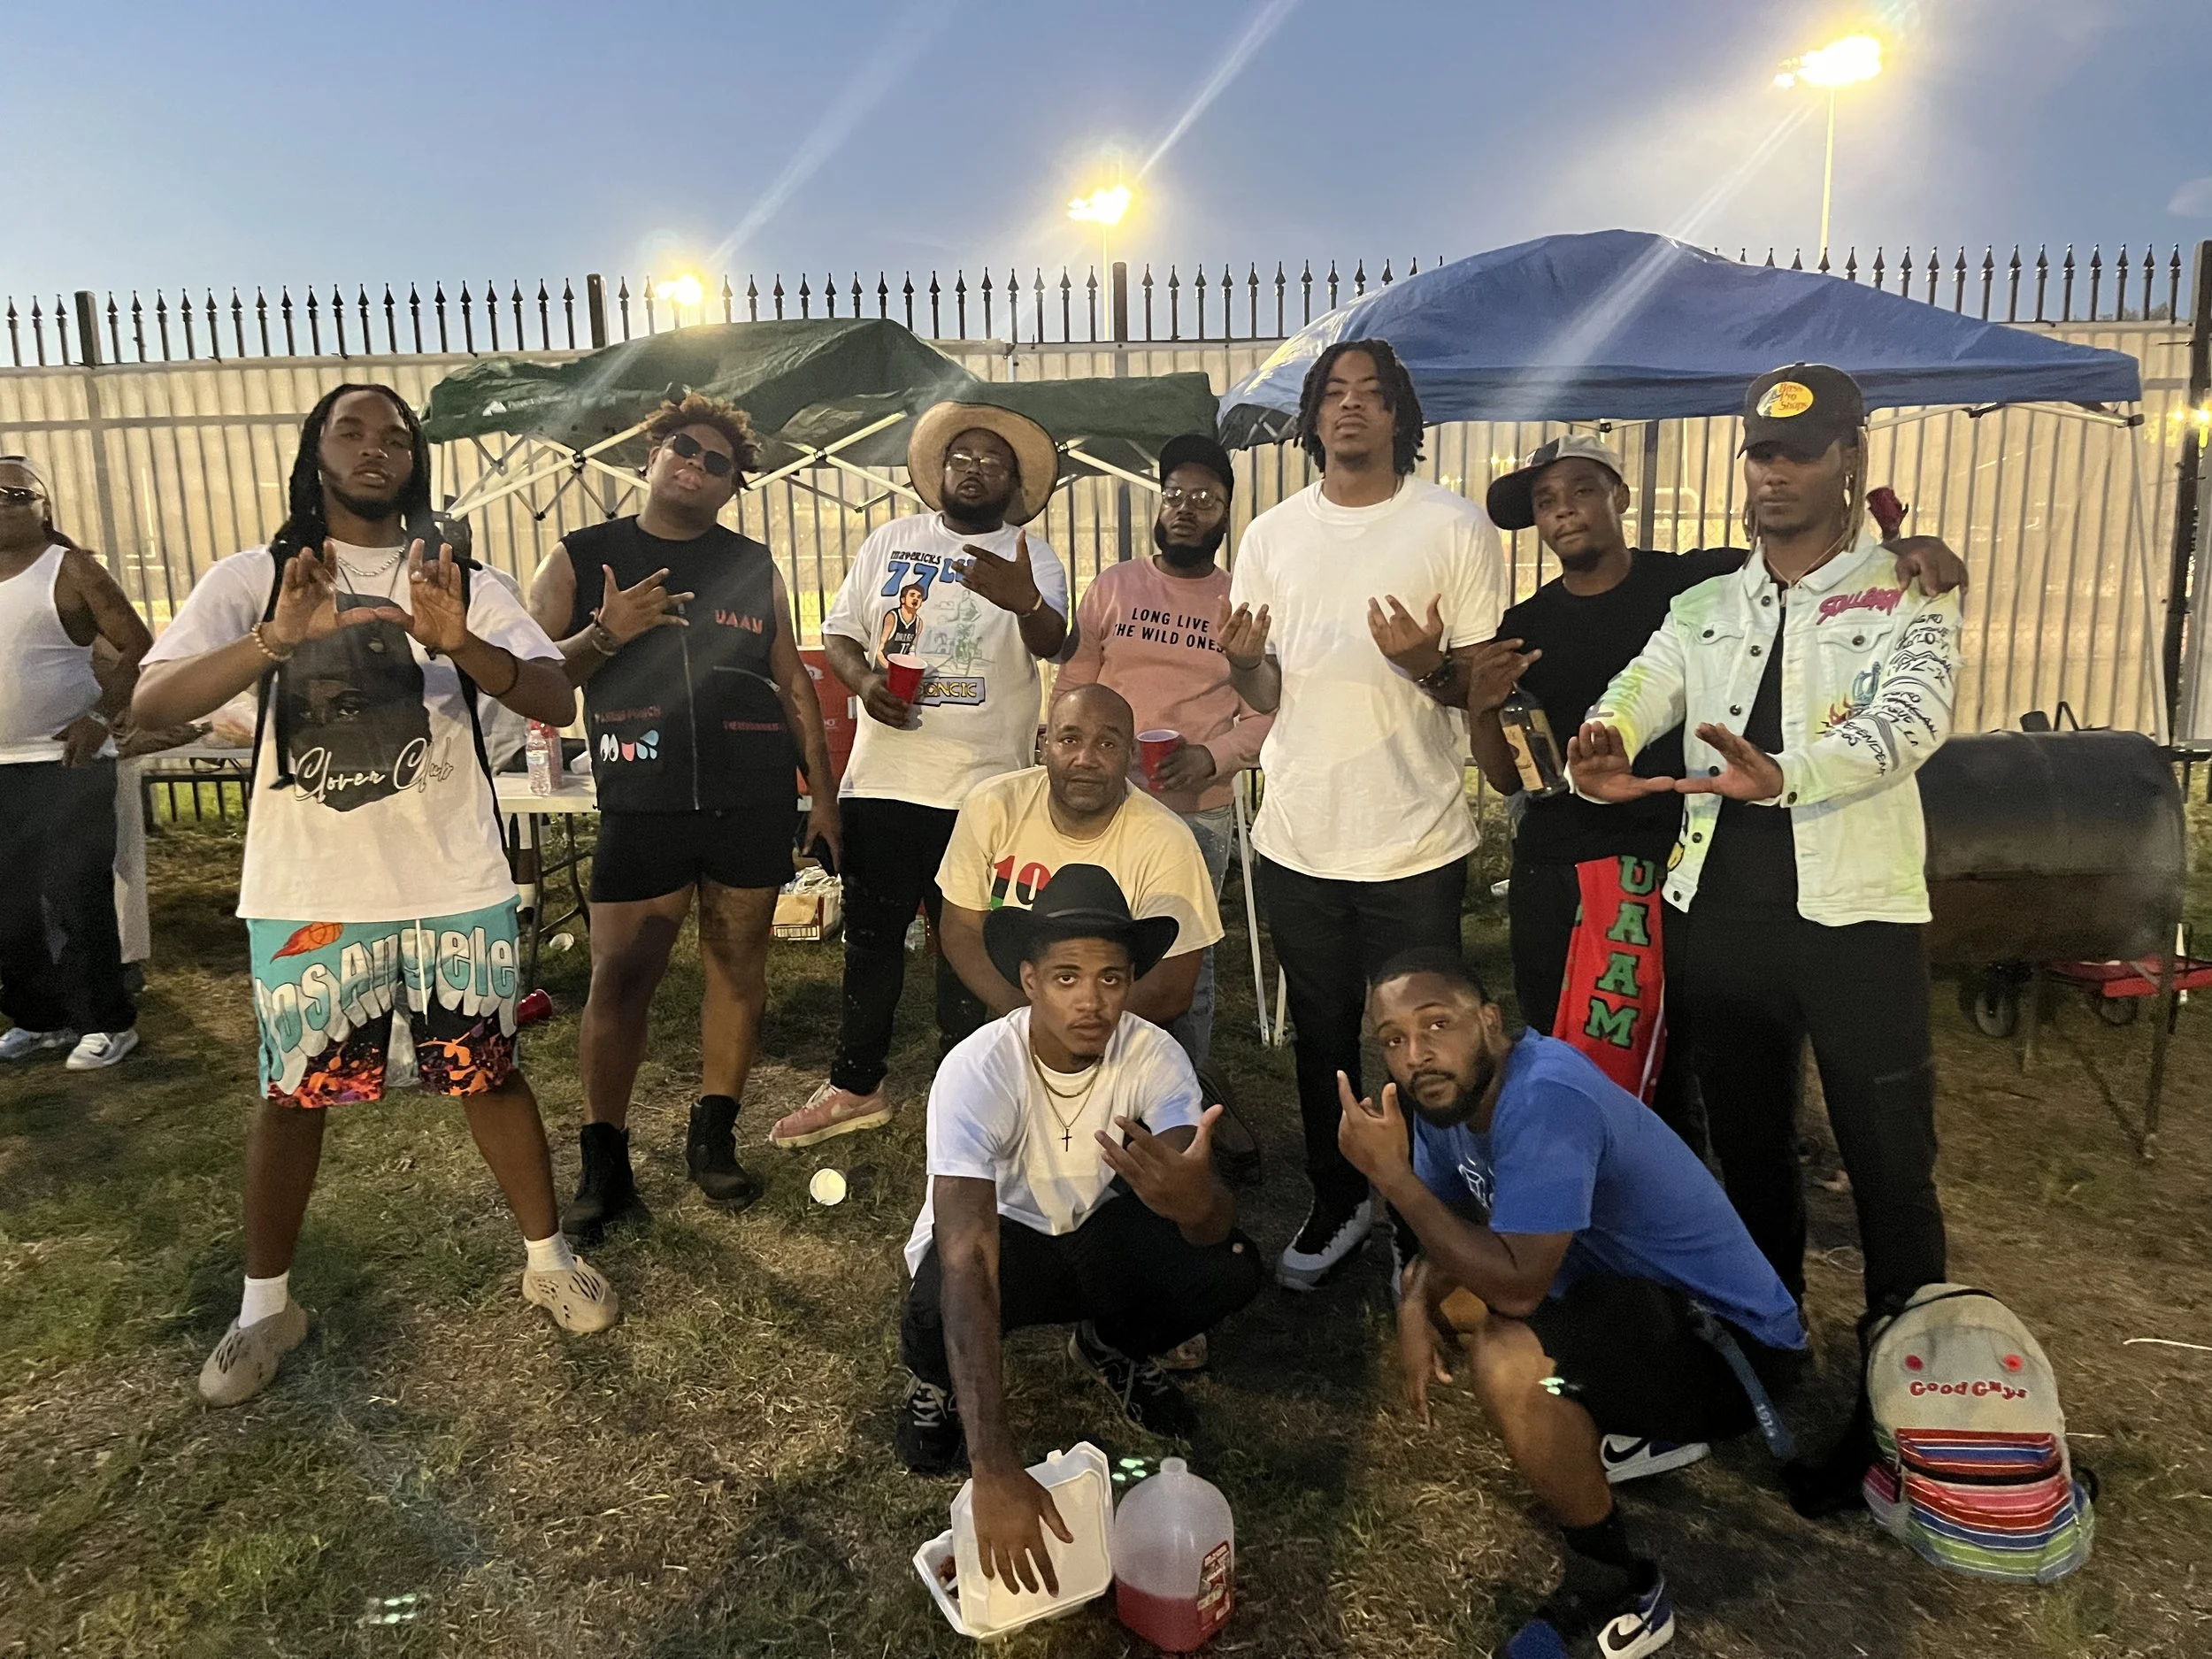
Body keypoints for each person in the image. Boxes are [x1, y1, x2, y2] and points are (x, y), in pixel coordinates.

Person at [134, 383, 618, 1407]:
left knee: (486, 1074)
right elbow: (152, 700)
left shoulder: (461, 577)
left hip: (451, 876)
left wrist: (457, 642)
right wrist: (274, 640)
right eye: (351, 430)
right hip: (310, 885)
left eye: (395, 436)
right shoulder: (257, 576)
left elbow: (551, 694)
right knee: (292, 1096)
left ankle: (545, 1262)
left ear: (415, 461)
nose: (374, 448)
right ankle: (267, 1308)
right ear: (316, 453)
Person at [1566, 362, 1959, 1333]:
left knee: (1888, 1166)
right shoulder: (1709, 604)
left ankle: (1902, 1386)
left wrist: (1784, 776)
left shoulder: (1909, 586)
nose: (1773, 474)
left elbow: (1912, 719)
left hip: (1858, 921)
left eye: (1799, 453)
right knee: (1748, 1150)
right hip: (1724, 920)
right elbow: (1640, 686)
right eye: (1760, 454)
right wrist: (1602, 743)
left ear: (1847, 461)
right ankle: (1766, 1333)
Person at [1473, 435, 1968, 1141]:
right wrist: (1481, 705)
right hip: (1560, 865)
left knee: (1677, 1074)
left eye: (1581, 489)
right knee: (1566, 1054)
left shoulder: (1694, 583)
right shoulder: (1524, 627)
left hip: (1666, 869)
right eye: (1545, 502)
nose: (1562, 512)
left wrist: (1901, 547)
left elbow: (1805, 560)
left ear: (1621, 496)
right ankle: (1580, 1213)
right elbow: (1520, 770)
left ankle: (1670, 1206)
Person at [1338, 949, 1806, 1659]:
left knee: (1505, 1356)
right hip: (1625, 1297)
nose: (1417, 1054)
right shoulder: (1446, 1099)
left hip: (1731, 1346)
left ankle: (1613, 1576)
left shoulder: (1547, 1097)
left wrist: (1395, 1180)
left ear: (1490, 1021)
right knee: (1457, 1301)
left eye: (1438, 1024)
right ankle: (1614, 1422)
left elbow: (1518, 1284)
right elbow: (1457, 1233)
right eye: (1394, 1039)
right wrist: (1412, 1306)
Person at [1220, 338, 1507, 1289]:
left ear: (1399, 417)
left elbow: (1478, 687)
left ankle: (1430, 1223)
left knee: (1428, 1044)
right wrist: (1238, 663)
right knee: (1322, 1031)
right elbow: (1264, 688)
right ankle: (1339, 1199)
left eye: (1371, 395)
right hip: (1301, 833)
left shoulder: (1454, 526)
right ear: (1312, 418)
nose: (1350, 409)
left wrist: (1425, 663)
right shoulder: (1269, 535)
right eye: (1333, 394)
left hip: (1415, 834)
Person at [893, 865, 1263, 1584]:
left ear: (1130, 983)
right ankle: (934, 1383)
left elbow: (1212, 1212)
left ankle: (1111, 1345)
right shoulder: (977, 1069)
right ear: (1029, 981)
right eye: (1067, 977)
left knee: (1229, 1261)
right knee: (943, 1287)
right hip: (1006, 1247)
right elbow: (969, 1256)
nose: (1091, 1001)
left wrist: (1197, 1200)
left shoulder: (1155, 1056)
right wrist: (994, 1463)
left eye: (1111, 979)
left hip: (1095, 1235)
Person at [527, 394, 840, 1241]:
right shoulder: (585, 556)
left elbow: (794, 682)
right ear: (652, 456)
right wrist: (605, 629)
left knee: (738, 964)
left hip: (751, 796)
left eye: (716, 462)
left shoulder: (753, 564)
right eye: (683, 449)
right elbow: (520, 674)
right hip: (644, 798)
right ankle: (605, 1161)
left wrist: (824, 797)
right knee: (621, 978)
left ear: (732, 485)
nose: (696, 466)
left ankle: (714, 1137)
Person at [772, 403, 1071, 1150]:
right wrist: (865, 680)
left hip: (986, 787)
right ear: (939, 472)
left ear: (1013, 482)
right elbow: (840, 633)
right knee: (871, 938)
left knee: (968, 941)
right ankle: (855, 1083)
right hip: (885, 782)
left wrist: (1024, 598)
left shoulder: (1034, 555)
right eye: (961, 457)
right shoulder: (892, 540)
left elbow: (1058, 643)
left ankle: (964, 1089)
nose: (973, 469)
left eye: (991, 462)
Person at [1056, 433, 1269, 1070]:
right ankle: (1095, 1077)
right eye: (1174, 493)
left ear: (1226, 511)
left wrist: (1211, 757)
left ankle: (1179, 1096)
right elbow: (1075, 682)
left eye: (1204, 497)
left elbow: (1266, 713)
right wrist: (1076, 749)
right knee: (1096, 948)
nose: (1185, 507)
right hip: (1107, 806)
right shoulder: (1114, 587)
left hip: (1196, 811)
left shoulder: (1242, 599)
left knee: (1185, 966)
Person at [936, 682, 1222, 1028]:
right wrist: (1025, 1021)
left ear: (1130, 755)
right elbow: (961, 927)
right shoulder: (993, 806)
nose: (1086, 759)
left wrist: (1071, 1026)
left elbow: (1171, 986)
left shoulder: (1167, 840)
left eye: (1107, 743)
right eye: (1070, 740)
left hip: (1120, 1030)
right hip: (1017, 1018)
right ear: (1044, 746)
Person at [0, 457, 151, 1071]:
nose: (1, 500)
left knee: (76, 893)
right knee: (7, 903)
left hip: (65, 761)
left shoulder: (73, 569)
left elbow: (141, 645)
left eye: (14, 491)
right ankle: (39, 1018)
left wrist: (101, 716)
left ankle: (106, 1022)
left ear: (44, 506)